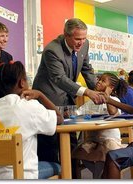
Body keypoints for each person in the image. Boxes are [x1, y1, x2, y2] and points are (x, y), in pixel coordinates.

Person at [32, 18, 104, 178]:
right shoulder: (52, 50)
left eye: (84, 38)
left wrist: (96, 88)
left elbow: (86, 69)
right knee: (50, 142)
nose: (81, 42)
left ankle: (73, 177)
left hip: (68, 97)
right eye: (78, 39)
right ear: (66, 35)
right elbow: (59, 78)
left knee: (71, 141)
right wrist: (87, 92)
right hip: (48, 97)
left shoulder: (85, 45)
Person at [0, 61, 64, 179]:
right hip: (17, 176)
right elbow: (59, 118)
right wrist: (40, 95)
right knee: (58, 167)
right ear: (22, 83)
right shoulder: (28, 105)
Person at [72, 73, 128, 178]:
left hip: (110, 140)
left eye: (103, 81)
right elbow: (77, 113)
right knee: (75, 154)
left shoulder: (114, 100)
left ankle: (101, 176)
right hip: (93, 141)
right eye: (99, 79)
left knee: (103, 155)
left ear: (110, 88)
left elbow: (112, 112)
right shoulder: (92, 101)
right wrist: (69, 113)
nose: (98, 81)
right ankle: (98, 176)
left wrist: (107, 96)